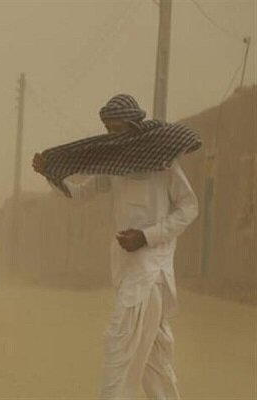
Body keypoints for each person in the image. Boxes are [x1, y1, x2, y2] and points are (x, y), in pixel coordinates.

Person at [32, 94, 199, 399]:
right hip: (127, 270)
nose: (111, 137)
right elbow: (81, 194)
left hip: (151, 273)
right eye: (107, 130)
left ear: (134, 126)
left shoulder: (164, 162)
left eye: (117, 130)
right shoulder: (115, 165)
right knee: (154, 361)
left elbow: (189, 208)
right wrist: (50, 174)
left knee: (118, 345)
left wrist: (147, 236)